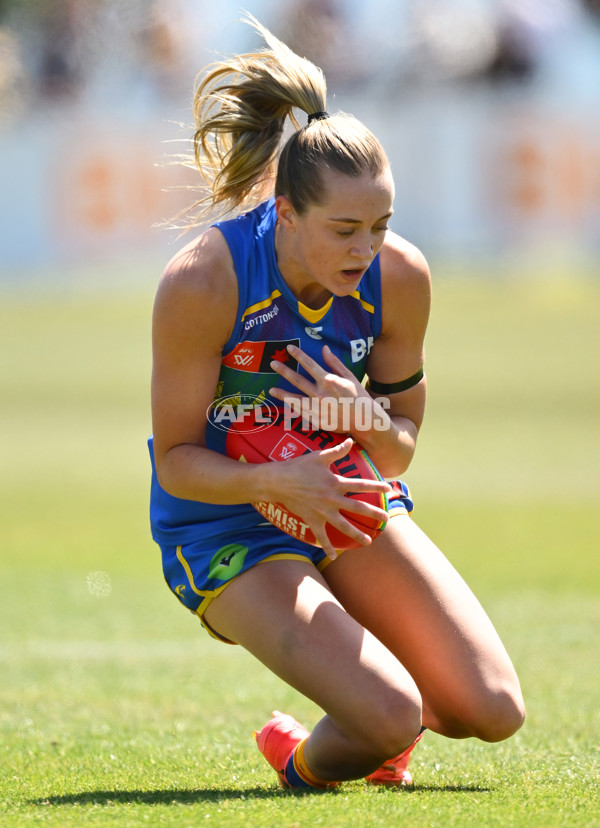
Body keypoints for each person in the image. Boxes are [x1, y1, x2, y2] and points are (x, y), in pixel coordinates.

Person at [148, 14, 525, 791]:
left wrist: (365, 418)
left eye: (381, 227)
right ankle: (300, 756)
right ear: (285, 214)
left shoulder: (401, 279)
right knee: (391, 716)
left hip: (349, 498)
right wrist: (274, 482)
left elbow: (399, 451)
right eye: (345, 228)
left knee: (491, 710)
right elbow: (180, 467)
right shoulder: (205, 281)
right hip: (227, 522)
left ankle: (370, 709)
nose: (366, 250)